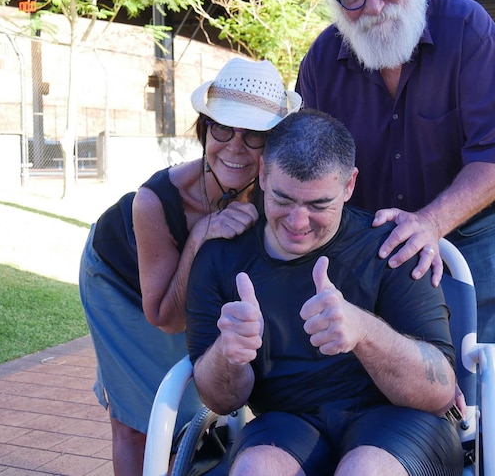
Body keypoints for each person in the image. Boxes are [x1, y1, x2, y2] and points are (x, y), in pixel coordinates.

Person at [295, 0, 495, 418]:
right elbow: (308, 159)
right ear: (334, 0)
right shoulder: (322, 59)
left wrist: (430, 224)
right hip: (372, 240)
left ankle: (490, 456)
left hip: (470, 230)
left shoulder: (467, 28)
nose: (374, 5)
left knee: (476, 362)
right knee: (385, 364)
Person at [185, 110, 463, 476]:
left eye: (319, 205)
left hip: (399, 421)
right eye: (283, 200)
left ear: (349, 186)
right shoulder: (220, 258)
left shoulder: (391, 247)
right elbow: (220, 399)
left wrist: (364, 331)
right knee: (256, 470)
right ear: (264, 174)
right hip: (286, 424)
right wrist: (228, 354)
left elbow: (439, 393)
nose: (298, 223)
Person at [78, 58, 301, 475]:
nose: (235, 146)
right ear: (204, 128)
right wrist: (200, 236)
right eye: (222, 128)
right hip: (119, 282)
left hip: (179, 294)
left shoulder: (274, 190)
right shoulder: (158, 200)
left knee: (196, 413)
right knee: (138, 420)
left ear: (274, 142)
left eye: (254, 135)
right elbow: (164, 317)